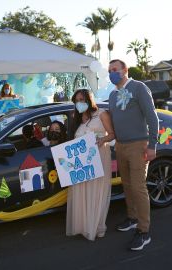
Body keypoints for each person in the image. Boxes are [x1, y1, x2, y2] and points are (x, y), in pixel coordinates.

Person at [108, 59, 159, 251]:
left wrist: (152, 145)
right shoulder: (113, 95)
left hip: (139, 145)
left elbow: (152, 117)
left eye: (115, 69)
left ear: (125, 70)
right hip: (121, 146)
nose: (112, 73)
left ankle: (143, 231)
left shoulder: (139, 87)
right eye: (109, 70)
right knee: (127, 185)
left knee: (138, 188)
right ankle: (132, 218)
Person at [66, 89, 116, 241]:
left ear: (89, 99)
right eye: (76, 100)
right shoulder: (76, 117)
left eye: (82, 99)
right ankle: (82, 226)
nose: (79, 103)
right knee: (82, 191)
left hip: (99, 157)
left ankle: (94, 227)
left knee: (96, 191)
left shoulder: (101, 114)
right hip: (81, 163)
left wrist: (103, 140)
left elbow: (113, 134)